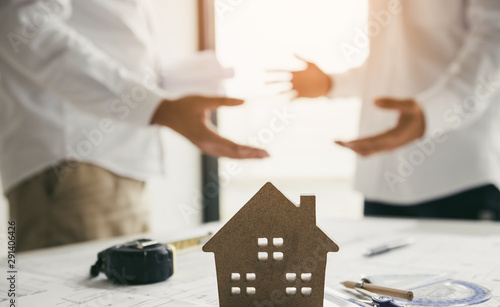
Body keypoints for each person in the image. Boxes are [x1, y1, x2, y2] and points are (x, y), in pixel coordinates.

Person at [0, 0, 268, 251]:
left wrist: (159, 95)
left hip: (111, 163)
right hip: (74, 161)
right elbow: (22, 24)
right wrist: (158, 107)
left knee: (124, 297)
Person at [273, 0, 500, 220]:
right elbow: (385, 67)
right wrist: (331, 84)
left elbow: (493, 40)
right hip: (380, 184)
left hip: (458, 178)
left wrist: (431, 112)